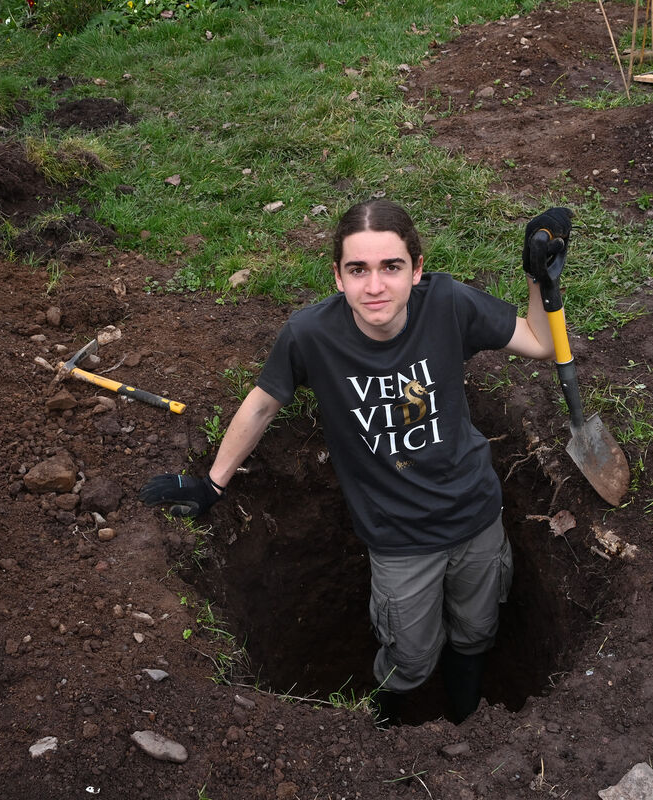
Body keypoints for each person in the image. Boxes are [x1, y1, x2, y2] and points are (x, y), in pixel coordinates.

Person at [140, 200, 571, 725]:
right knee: (409, 661)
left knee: (477, 634)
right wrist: (212, 483)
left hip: (477, 517)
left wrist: (537, 277)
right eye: (357, 270)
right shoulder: (312, 335)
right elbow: (262, 402)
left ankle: (467, 725)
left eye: (390, 267)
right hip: (398, 541)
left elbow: (543, 343)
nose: (375, 287)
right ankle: (379, 732)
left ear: (416, 269)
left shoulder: (448, 305)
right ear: (338, 278)